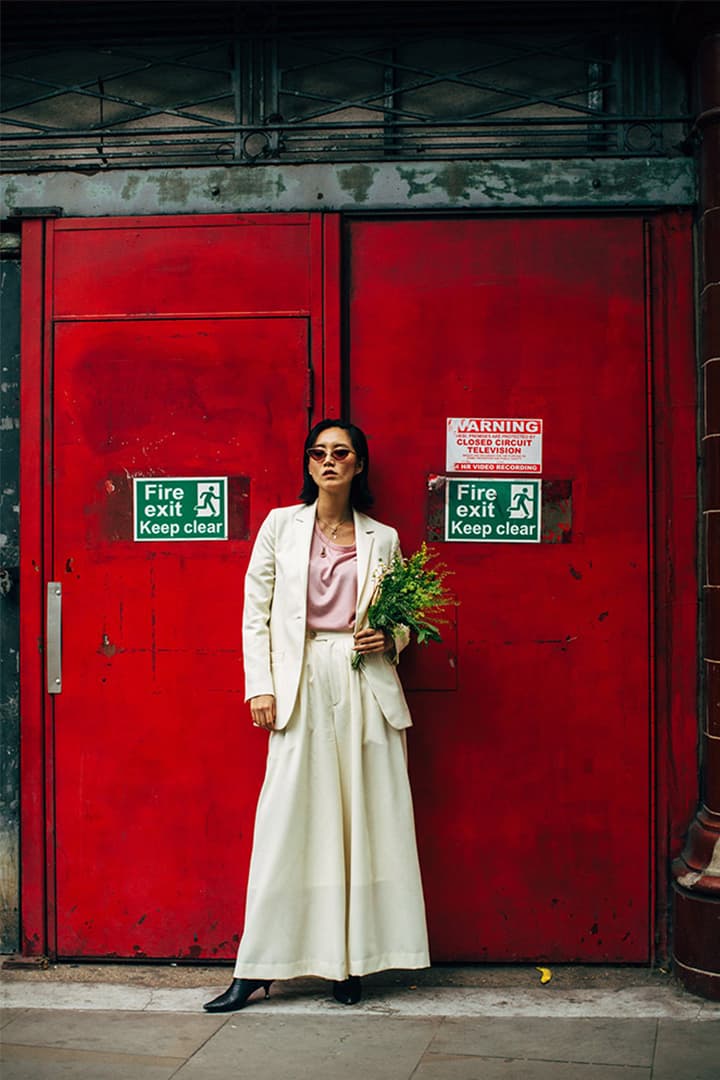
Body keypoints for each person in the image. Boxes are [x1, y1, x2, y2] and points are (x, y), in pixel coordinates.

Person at [204, 419, 429, 1012]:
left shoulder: (384, 537)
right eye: (319, 453)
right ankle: (255, 968)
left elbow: (403, 617)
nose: (330, 462)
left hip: (363, 681)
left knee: (361, 821)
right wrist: (261, 687)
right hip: (299, 679)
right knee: (288, 821)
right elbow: (256, 611)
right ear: (308, 465)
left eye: (342, 453)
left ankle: (347, 964)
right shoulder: (281, 526)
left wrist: (393, 638)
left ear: (359, 466)